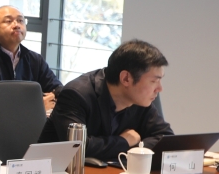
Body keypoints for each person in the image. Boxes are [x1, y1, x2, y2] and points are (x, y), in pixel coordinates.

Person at [39, 40, 173, 161]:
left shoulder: (140, 100)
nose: (160, 88)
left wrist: (135, 149)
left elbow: (166, 139)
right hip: (55, 173)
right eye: (154, 81)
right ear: (126, 78)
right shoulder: (76, 94)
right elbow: (77, 147)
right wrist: (124, 141)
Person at [0, 5, 62, 110]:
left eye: (20, 20)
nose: (16, 25)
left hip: (32, 119)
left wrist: (54, 95)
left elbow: (57, 89)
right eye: (8, 21)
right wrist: (35, 106)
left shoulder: (35, 59)